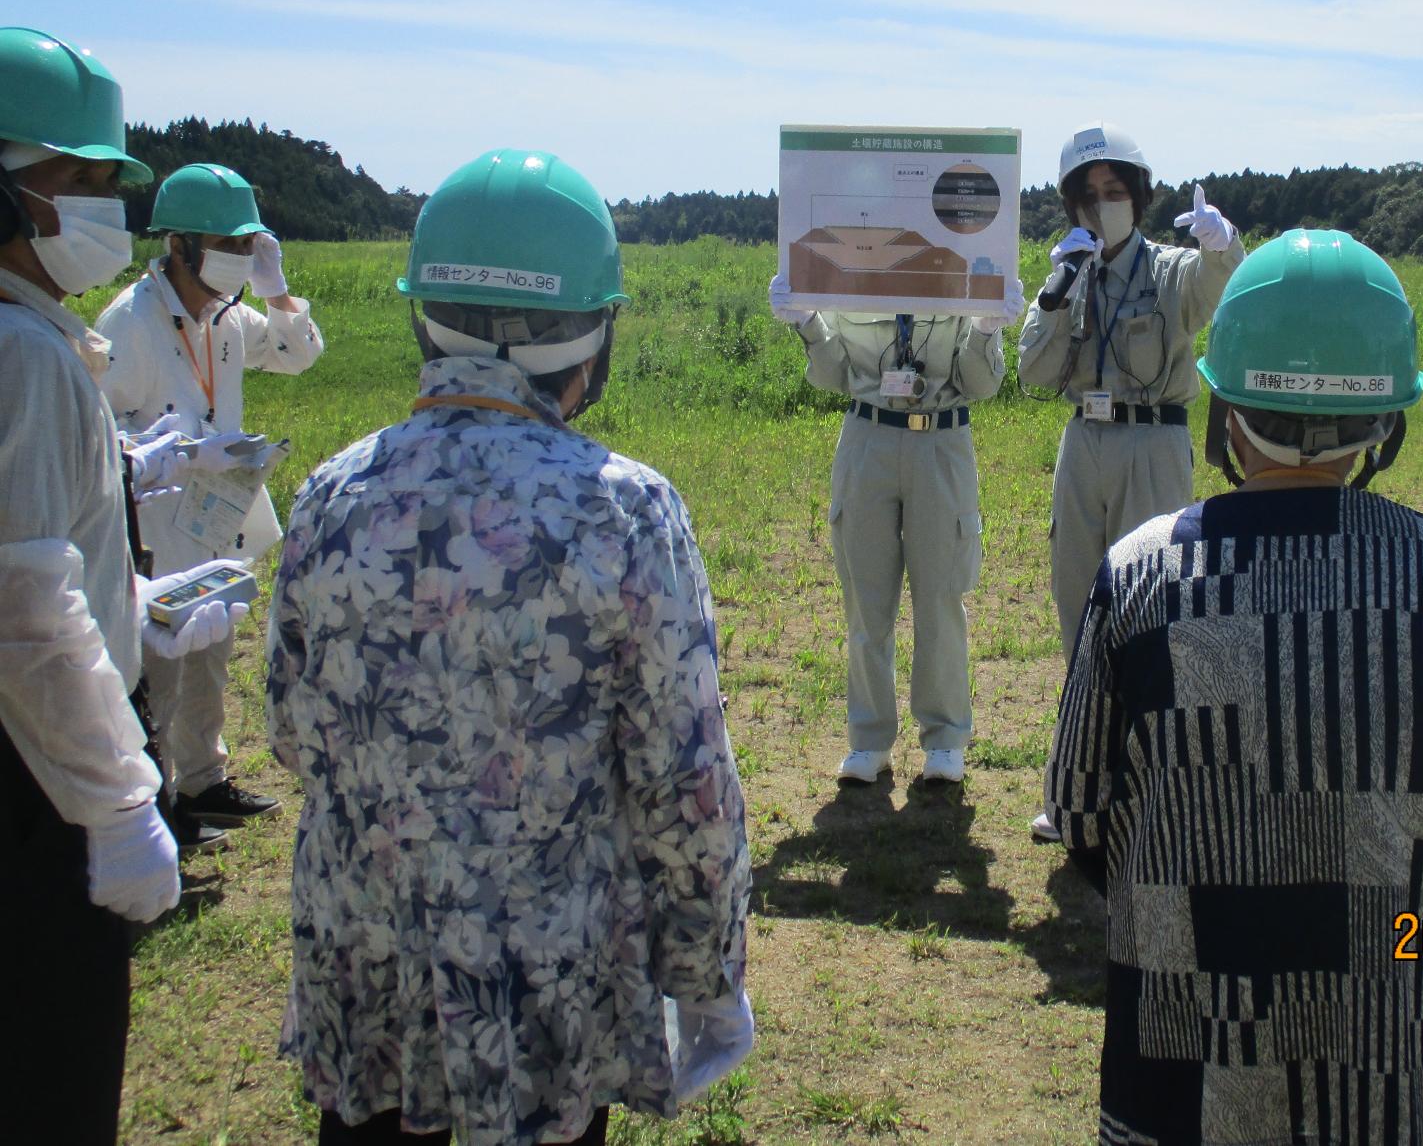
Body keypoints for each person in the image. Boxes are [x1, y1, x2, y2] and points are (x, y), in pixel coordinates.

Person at [1047, 228, 1423, 1146]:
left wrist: (1186, 899)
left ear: (1224, 405)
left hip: (1190, 1074)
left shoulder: (1138, 578)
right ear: (1386, 420)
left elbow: (1083, 810)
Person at [269, 148, 753, 1146]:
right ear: (590, 331)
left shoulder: (328, 493)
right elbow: (685, 784)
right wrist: (706, 973)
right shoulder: (623, 508)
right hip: (540, 998)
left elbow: (291, 728)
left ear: (422, 312)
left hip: (371, 975)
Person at [0, 26, 249, 1143]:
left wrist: (134, 579)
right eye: (85, 179)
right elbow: (24, 610)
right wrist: (117, 801)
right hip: (37, 787)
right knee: (51, 1072)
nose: (106, 204)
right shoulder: (28, 353)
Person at [1018, 121, 1243, 838]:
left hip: (1153, 441)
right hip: (1084, 440)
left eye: (1115, 192)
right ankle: (1078, 784)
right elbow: (1030, 372)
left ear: (1139, 196)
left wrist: (1222, 243)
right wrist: (1057, 290)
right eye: (1089, 195)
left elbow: (1217, 288)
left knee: (1156, 609)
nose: (1102, 205)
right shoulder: (1067, 270)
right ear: (1072, 206)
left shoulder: (1172, 269)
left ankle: (1156, 785)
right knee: (1079, 609)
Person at [96, 161, 324, 844]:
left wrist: (277, 289)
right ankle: (157, 806)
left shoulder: (224, 319)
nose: (235, 260)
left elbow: (296, 353)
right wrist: (181, 452)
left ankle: (204, 784)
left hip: (215, 522)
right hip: (153, 533)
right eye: (225, 246)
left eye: (244, 247)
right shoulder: (131, 322)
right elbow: (99, 435)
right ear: (179, 245)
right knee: (158, 672)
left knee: (212, 654)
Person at [769, 274, 1022, 784]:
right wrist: (807, 323)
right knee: (866, 601)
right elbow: (834, 374)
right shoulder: (853, 263)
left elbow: (981, 383)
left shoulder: (962, 261)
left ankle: (945, 739)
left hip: (942, 440)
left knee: (942, 598)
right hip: (869, 437)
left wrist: (985, 330)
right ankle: (869, 740)